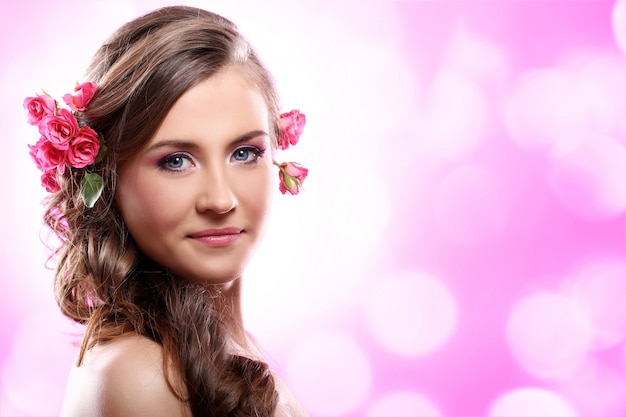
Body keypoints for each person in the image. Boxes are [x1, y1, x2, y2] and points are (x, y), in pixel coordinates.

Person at [23, 5, 309, 417]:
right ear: (108, 176)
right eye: (176, 161)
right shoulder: (142, 375)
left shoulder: (221, 348)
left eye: (244, 152)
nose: (220, 199)